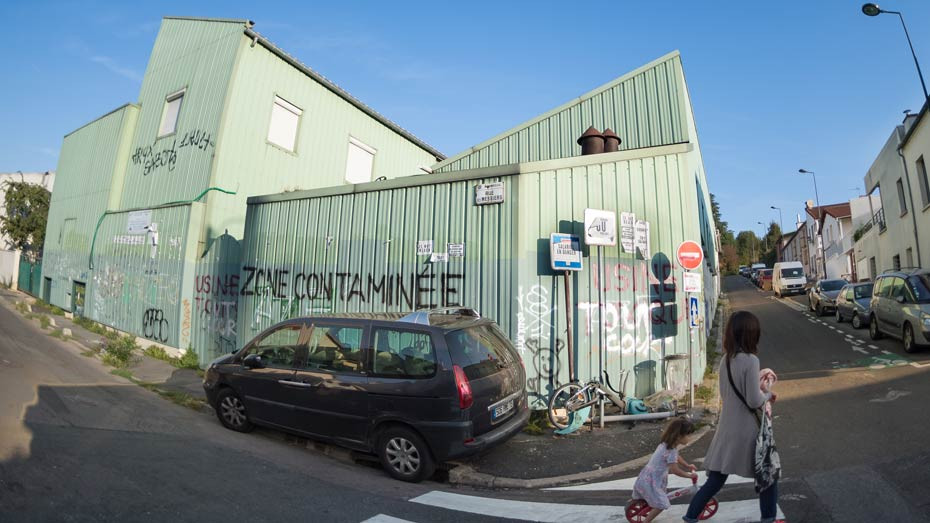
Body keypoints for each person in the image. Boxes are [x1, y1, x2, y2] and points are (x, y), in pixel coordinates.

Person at [682, 310, 779, 523]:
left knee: (715, 480)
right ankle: (769, 518)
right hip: (746, 431)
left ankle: (690, 516)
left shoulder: (725, 359)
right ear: (751, 334)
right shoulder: (751, 360)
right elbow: (754, 400)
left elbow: (732, 393)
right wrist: (768, 395)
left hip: (726, 428)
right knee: (768, 476)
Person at [631, 417, 698, 523]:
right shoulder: (670, 451)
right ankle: (646, 521)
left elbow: (677, 457)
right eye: (688, 435)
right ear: (679, 436)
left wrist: (687, 465)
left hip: (647, 477)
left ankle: (642, 503)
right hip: (652, 482)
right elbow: (675, 470)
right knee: (662, 504)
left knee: (655, 498)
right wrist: (689, 475)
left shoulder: (666, 445)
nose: (690, 437)